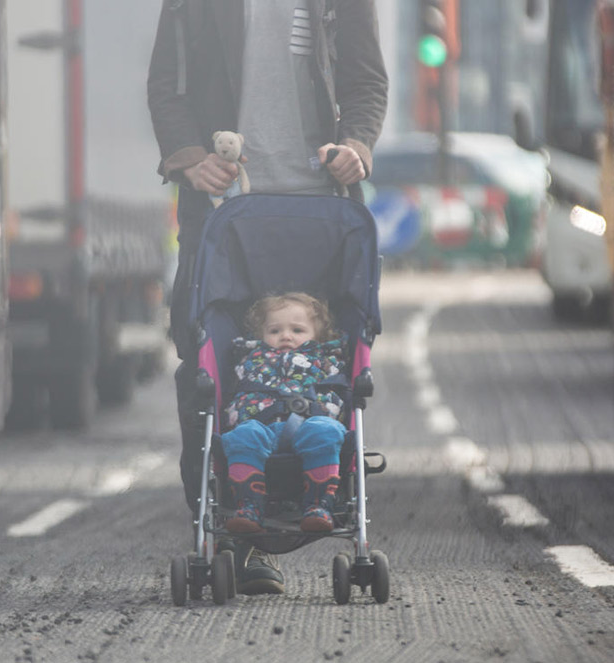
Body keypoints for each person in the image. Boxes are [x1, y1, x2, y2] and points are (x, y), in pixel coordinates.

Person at [148, 0, 388, 595]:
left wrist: (357, 144)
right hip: (224, 210)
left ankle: (316, 493)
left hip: (321, 211)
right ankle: (230, 535)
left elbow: (365, 80)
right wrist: (188, 162)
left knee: (324, 359)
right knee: (205, 359)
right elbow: (166, 87)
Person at [222, 292, 347, 534]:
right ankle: (249, 506)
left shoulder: (326, 360)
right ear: (261, 335)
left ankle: (319, 505)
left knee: (326, 431)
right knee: (242, 435)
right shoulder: (249, 359)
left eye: (297, 331)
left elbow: (338, 394)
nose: (285, 336)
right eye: (274, 331)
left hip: (310, 423)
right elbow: (233, 392)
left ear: (317, 336)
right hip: (261, 424)